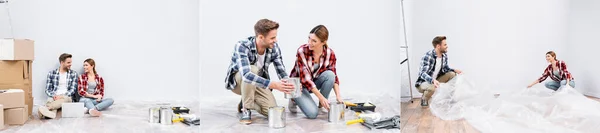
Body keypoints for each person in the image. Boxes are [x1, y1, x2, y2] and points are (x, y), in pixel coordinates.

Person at [224, 19, 295, 124]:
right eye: (272, 38)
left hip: (258, 83)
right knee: (252, 70)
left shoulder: (274, 47)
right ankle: (246, 110)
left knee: (272, 112)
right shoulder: (242, 46)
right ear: (261, 37)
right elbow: (247, 76)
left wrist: (289, 84)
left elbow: (281, 71)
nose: (275, 40)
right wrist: (272, 84)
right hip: (239, 83)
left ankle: (245, 100)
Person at [288, 25, 343, 119]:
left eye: (314, 41)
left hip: (313, 83)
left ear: (323, 42)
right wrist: (321, 98)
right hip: (299, 85)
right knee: (312, 114)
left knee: (330, 75)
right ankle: (293, 99)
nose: (309, 42)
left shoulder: (330, 54)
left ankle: (322, 105)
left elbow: (334, 77)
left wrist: (338, 96)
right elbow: (306, 80)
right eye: (309, 38)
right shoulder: (302, 51)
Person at [415, 36, 462, 107]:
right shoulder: (428, 56)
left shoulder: (444, 56)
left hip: (436, 79)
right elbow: (422, 73)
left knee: (452, 74)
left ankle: (450, 96)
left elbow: (445, 68)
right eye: (445, 45)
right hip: (423, 82)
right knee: (431, 88)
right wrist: (432, 80)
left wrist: (455, 70)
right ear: (438, 46)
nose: (447, 46)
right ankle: (424, 98)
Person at [38, 53, 79, 119]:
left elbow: (72, 90)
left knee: (65, 99)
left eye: (71, 62)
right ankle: (50, 114)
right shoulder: (51, 73)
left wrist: (61, 96)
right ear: (62, 62)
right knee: (49, 99)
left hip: (66, 96)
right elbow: (47, 90)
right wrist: (54, 95)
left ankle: (47, 108)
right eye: (68, 62)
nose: (70, 64)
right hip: (55, 96)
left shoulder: (73, 74)